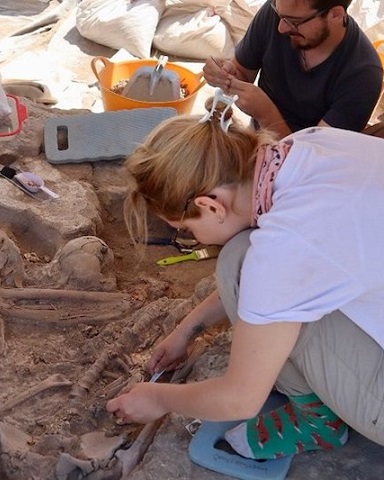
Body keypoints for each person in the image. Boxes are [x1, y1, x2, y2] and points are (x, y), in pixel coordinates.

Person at [106, 95, 384, 460]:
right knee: (241, 256)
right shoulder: (304, 146)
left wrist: (158, 398)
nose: (194, 239)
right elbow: (272, 274)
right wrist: (187, 329)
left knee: (243, 261)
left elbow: (240, 398)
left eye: (185, 230)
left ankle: (317, 422)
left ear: (210, 205)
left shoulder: (286, 244)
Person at [203, 0, 383, 139]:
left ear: (335, 14)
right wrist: (227, 75)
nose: (281, 27)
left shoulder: (363, 76)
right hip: (260, 141)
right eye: (279, 14)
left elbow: (311, 161)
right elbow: (242, 71)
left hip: (303, 174)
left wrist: (266, 114)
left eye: (294, 22)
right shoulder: (278, 13)